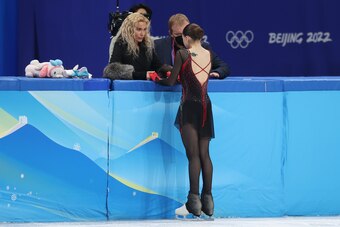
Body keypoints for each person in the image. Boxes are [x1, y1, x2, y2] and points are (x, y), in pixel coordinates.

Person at [155, 23, 215, 217]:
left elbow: (172, 81)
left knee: (194, 155)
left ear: (187, 38)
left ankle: (193, 201)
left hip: (189, 107)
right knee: (205, 154)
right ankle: (208, 200)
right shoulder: (209, 54)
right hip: (206, 106)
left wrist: (157, 79)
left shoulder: (183, 54)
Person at [155, 13, 230, 79]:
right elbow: (151, 70)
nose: (183, 37)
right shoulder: (158, 46)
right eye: (178, 34)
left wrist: (216, 73)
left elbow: (224, 67)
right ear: (171, 33)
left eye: (185, 33)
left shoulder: (203, 47)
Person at [104, 13, 170, 80]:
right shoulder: (121, 43)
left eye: (144, 29)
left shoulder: (147, 44)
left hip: (145, 87)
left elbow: (157, 65)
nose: (142, 34)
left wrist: (170, 71)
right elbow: (111, 70)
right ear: (130, 29)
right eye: (139, 29)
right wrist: (143, 75)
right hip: (127, 88)